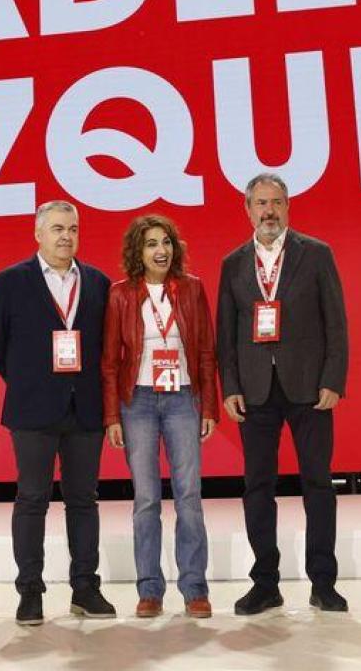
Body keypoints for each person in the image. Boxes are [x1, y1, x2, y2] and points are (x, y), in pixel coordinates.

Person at [216, 172, 350, 614]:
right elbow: (227, 334)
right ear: (247, 209)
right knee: (257, 487)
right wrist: (230, 385)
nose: (269, 211)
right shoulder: (233, 263)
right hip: (255, 390)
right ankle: (265, 583)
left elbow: (336, 323)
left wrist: (333, 379)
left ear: (287, 206)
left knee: (318, 484)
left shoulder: (316, 254)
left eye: (276, 202)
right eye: (260, 203)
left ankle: (323, 583)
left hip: (310, 387)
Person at [0, 200, 116, 626]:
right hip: (32, 408)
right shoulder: (9, 281)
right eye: (57, 228)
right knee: (32, 500)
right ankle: (30, 592)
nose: (66, 236)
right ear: (38, 234)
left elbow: (106, 348)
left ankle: (85, 588)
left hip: (85, 409)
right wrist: (29, 380)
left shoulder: (98, 283)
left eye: (73, 229)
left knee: (83, 501)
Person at [102, 214, 219, 619]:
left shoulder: (191, 289)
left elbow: (206, 350)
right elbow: (110, 362)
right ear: (139, 251)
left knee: (189, 495)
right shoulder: (120, 294)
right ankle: (149, 590)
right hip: (138, 402)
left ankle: (194, 589)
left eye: (166, 242)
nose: (161, 250)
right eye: (152, 243)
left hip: (183, 398)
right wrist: (112, 416)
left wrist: (209, 406)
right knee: (147, 498)